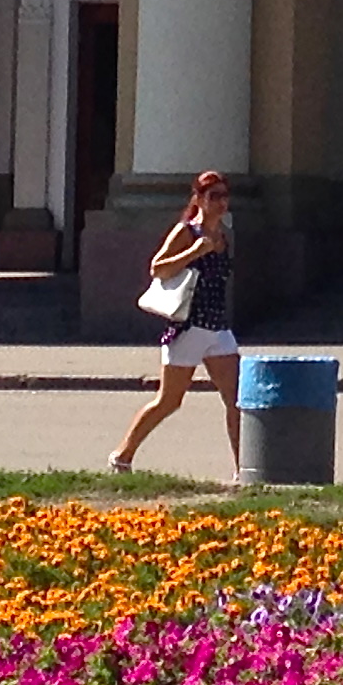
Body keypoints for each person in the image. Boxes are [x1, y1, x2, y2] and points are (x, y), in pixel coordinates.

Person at [109, 171, 239, 475]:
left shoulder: (224, 236)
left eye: (224, 196)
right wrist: (194, 252)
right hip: (188, 328)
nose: (220, 202)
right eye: (213, 196)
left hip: (218, 328)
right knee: (169, 401)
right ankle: (122, 455)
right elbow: (158, 268)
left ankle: (243, 469)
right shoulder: (186, 232)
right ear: (198, 200)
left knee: (237, 400)